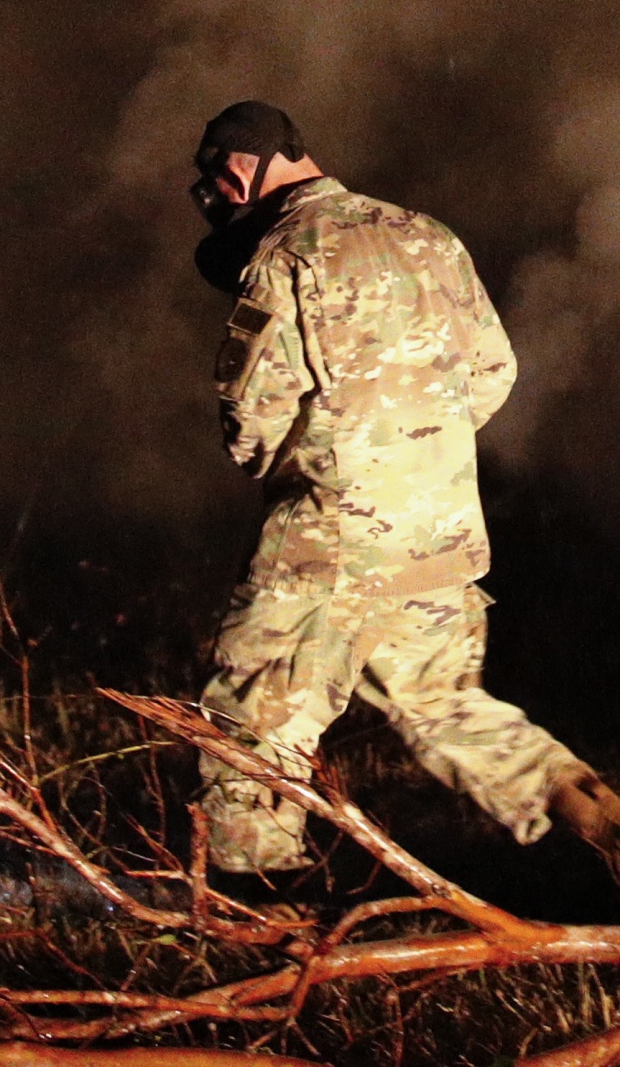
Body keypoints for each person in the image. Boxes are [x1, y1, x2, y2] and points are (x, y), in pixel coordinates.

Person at [191, 98, 620, 879]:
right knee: (448, 708)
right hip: (437, 534)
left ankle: (252, 913)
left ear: (233, 174)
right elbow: (493, 372)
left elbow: (252, 416)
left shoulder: (286, 254)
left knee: (252, 721)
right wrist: (415, 453)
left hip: (329, 541)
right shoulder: (428, 236)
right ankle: (603, 823)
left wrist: (313, 457)